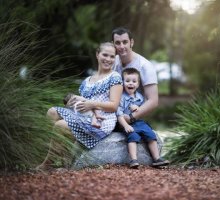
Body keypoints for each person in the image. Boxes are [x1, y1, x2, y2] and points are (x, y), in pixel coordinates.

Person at [37, 42, 123, 170]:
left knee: (60, 126)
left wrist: (91, 104)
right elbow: (82, 104)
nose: (108, 59)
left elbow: (114, 106)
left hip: (101, 120)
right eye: (105, 55)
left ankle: (48, 164)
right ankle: (58, 156)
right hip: (84, 115)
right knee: (52, 112)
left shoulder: (115, 77)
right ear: (97, 54)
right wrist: (72, 102)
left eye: (112, 56)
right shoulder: (86, 81)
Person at [117, 68, 170, 168]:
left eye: (134, 81)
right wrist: (126, 125)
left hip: (139, 122)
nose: (130, 84)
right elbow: (119, 113)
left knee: (150, 134)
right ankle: (133, 160)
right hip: (126, 123)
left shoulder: (140, 97)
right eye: (127, 81)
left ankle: (156, 158)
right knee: (132, 136)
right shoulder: (121, 97)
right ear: (123, 83)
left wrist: (138, 108)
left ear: (138, 84)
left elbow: (142, 111)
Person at [111, 27, 158, 125]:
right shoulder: (112, 61)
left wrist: (130, 118)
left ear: (131, 42)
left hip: (134, 118)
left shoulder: (145, 66)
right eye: (118, 43)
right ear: (113, 45)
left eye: (125, 42)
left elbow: (153, 101)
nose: (121, 46)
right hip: (113, 113)